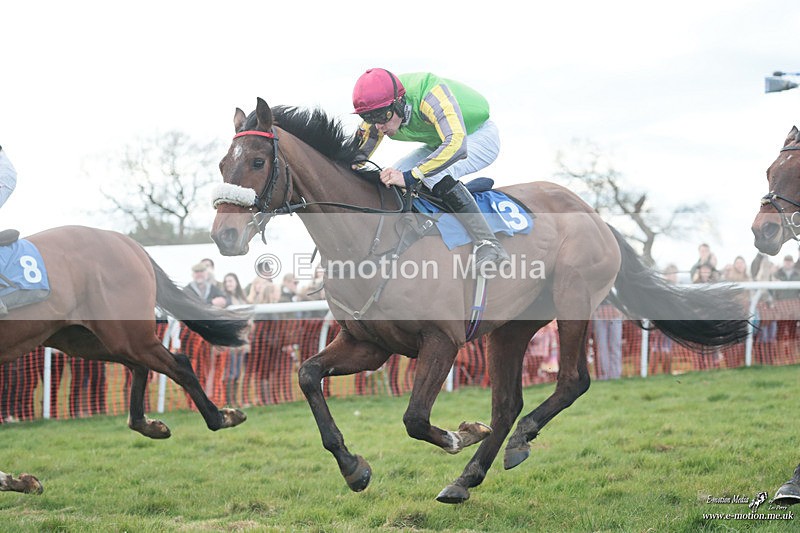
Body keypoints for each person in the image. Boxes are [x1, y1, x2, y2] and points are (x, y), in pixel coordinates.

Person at [351, 68, 509, 269]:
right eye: (370, 119)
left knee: (432, 174)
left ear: (398, 102)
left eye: (383, 117)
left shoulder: (429, 95)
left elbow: (457, 144)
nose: (379, 126)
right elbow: (355, 159)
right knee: (393, 176)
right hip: (440, 141)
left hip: (477, 136)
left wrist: (411, 176)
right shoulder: (380, 112)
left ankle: (488, 243)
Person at [220, 273, 250, 406]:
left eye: (230, 281)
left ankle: (236, 401)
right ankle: (229, 401)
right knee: (230, 373)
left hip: (242, 341)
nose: (228, 284)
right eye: (226, 281)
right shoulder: (225, 300)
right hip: (230, 342)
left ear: (236, 282)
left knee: (238, 373)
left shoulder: (242, 299)